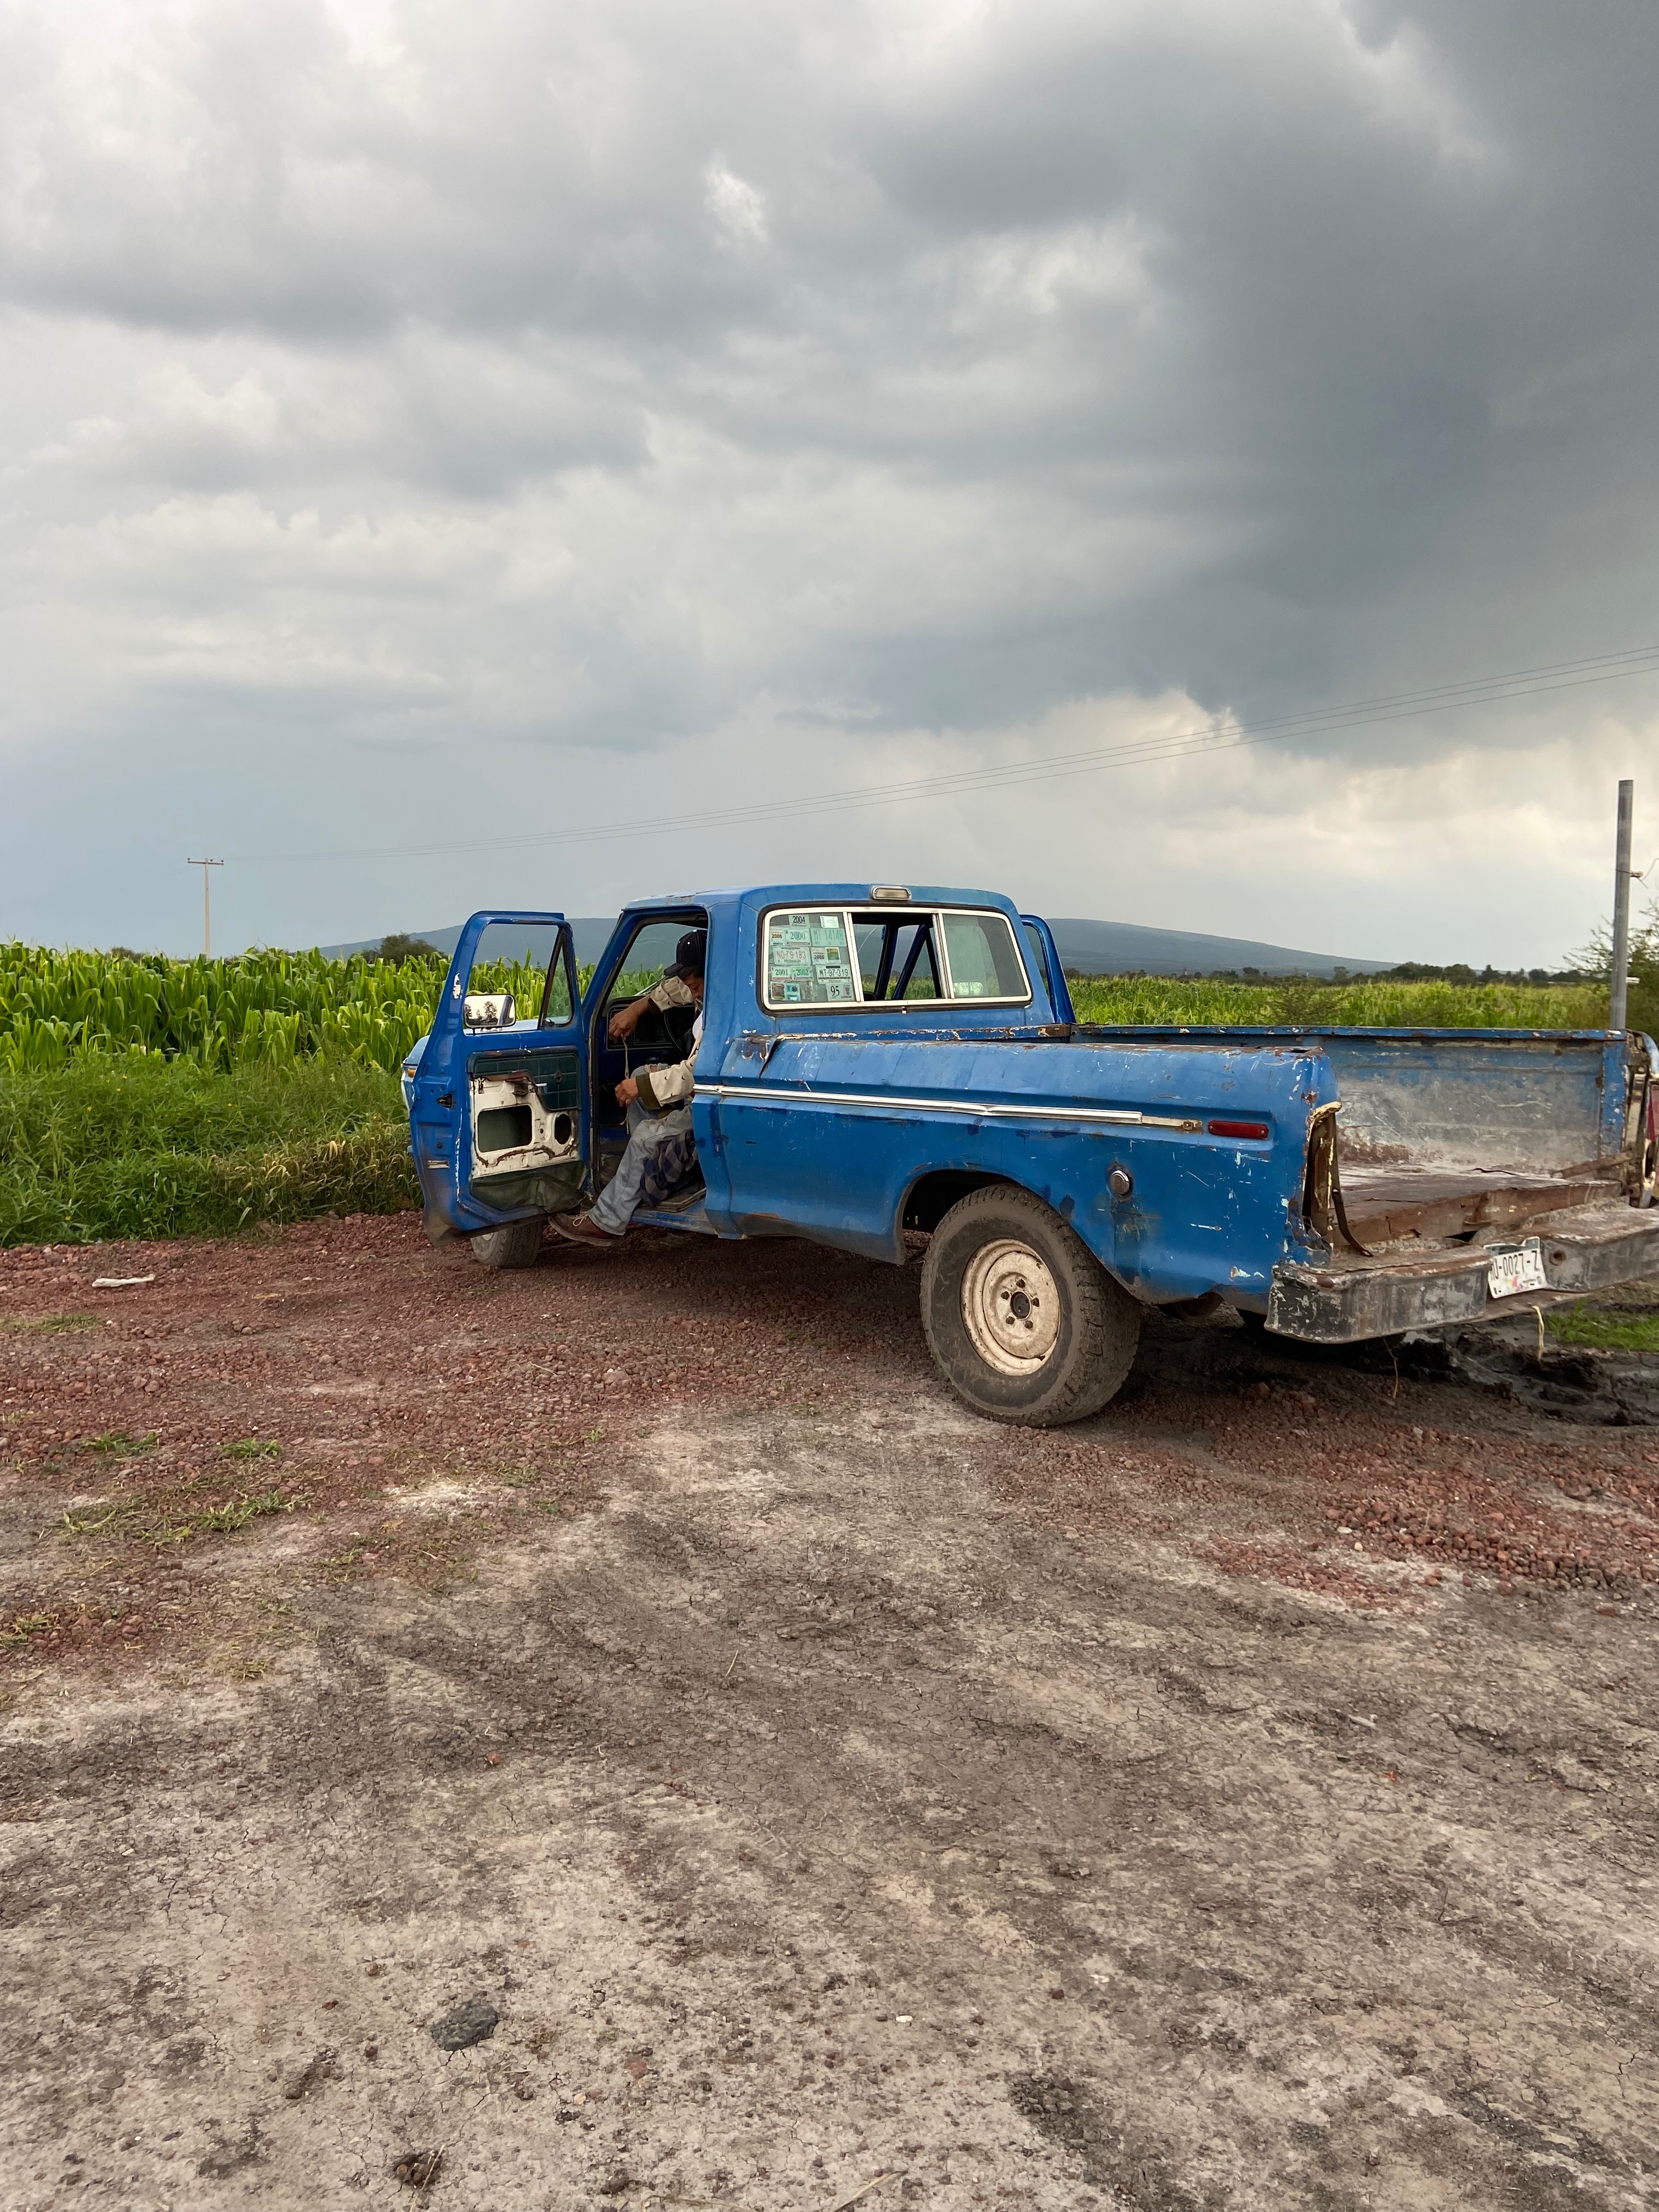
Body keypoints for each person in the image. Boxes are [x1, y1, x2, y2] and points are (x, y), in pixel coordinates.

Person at [551, 929, 706, 1246]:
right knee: (640, 1074)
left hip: (707, 1101)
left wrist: (641, 1087)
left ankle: (607, 1220)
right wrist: (636, 1009)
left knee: (646, 1135)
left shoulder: (723, 1010)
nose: (692, 991)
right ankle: (651, 1177)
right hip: (698, 1090)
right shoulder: (704, 990)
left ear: (712, 972)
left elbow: (693, 1074)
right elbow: (676, 990)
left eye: (695, 983)